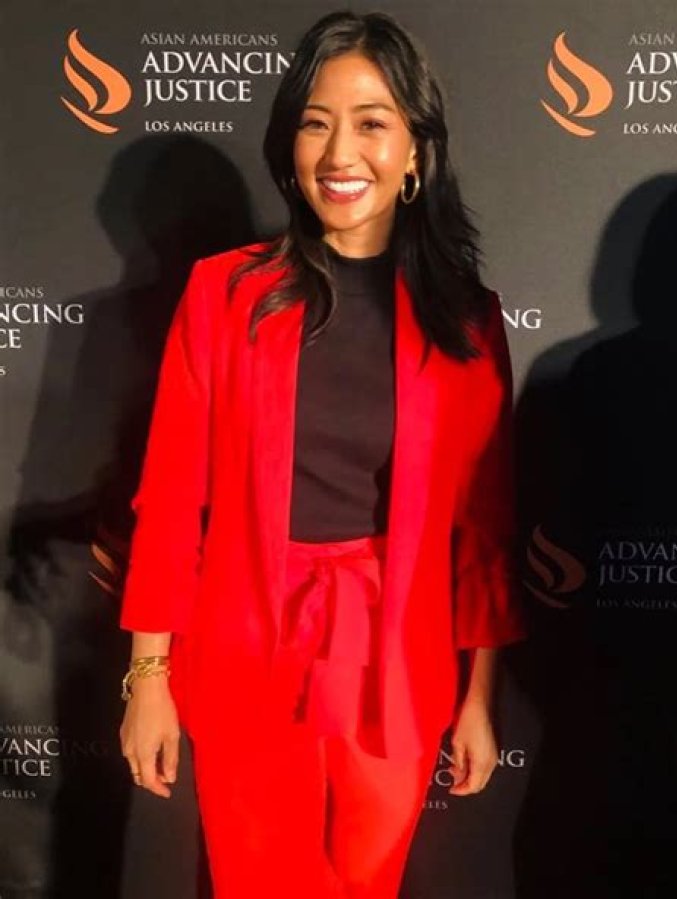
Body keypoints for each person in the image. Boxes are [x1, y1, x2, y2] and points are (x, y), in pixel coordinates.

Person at [118, 10, 526, 899]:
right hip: (245, 648)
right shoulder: (225, 293)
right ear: (291, 144)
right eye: (316, 123)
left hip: (397, 659)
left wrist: (479, 695)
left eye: (372, 122)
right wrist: (148, 675)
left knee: (367, 885)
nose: (341, 153)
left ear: (415, 152)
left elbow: (483, 527)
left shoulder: (467, 320)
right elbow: (171, 494)